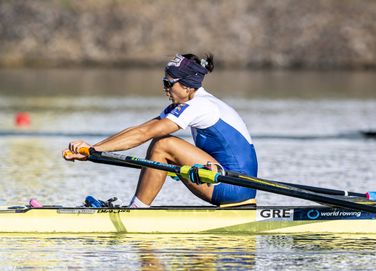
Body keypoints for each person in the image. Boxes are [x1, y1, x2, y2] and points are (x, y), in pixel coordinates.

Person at [64, 53, 258, 208]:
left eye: (168, 83)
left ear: (188, 86)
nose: (165, 89)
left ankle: (138, 211)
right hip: (219, 178)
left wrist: (94, 150)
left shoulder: (202, 106)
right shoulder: (188, 104)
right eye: (163, 82)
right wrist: (93, 149)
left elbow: (145, 135)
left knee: (163, 144)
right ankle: (138, 207)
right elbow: (142, 129)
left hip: (236, 186)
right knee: (161, 142)